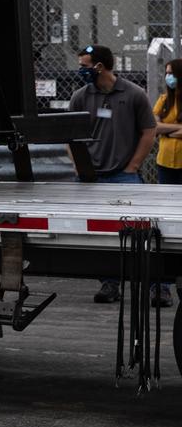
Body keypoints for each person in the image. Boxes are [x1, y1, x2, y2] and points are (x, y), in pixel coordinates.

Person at [69, 45, 166, 305]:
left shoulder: (133, 94)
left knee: (142, 232)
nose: (80, 71)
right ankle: (110, 283)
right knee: (99, 235)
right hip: (91, 177)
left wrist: (132, 166)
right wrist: (79, 166)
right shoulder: (80, 96)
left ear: (99, 67)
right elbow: (70, 134)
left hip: (124, 176)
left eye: (84, 66)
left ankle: (157, 286)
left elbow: (149, 132)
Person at [155, 57, 182, 185]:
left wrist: (166, 131)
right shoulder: (164, 99)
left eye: (171, 73)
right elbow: (155, 126)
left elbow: (160, 127)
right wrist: (179, 128)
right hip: (165, 161)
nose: (168, 77)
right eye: (167, 73)